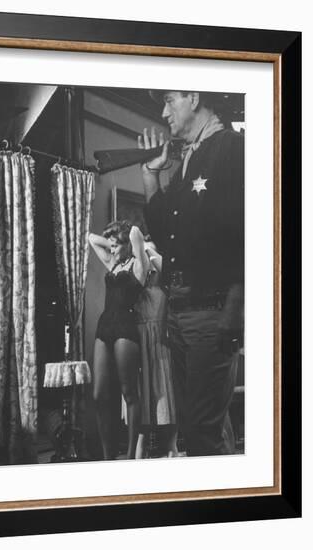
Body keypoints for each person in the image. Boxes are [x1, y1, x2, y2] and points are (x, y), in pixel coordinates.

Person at [138, 90, 244, 456]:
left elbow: (257, 231)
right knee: (201, 431)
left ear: (194, 98)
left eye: (170, 100)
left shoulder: (235, 148)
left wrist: (237, 307)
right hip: (182, 312)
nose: (164, 112)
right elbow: (166, 234)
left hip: (211, 311)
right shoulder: (187, 159)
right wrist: (152, 174)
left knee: (202, 436)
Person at [88, 221, 147, 460]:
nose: (110, 249)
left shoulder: (139, 264)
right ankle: (108, 456)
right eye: (110, 246)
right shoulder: (113, 262)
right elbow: (92, 238)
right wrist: (113, 240)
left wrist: (122, 236)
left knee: (129, 393)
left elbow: (134, 234)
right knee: (99, 395)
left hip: (126, 327)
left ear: (127, 245)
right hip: (105, 327)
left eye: (115, 245)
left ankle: (131, 455)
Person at [133, 235, 178, 459]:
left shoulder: (164, 287)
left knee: (163, 389)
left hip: (161, 344)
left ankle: (171, 444)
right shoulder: (138, 283)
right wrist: (141, 249)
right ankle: (142, 441)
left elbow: (165, 267)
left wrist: (151, 252)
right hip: (140, 343)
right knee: (144, 392)